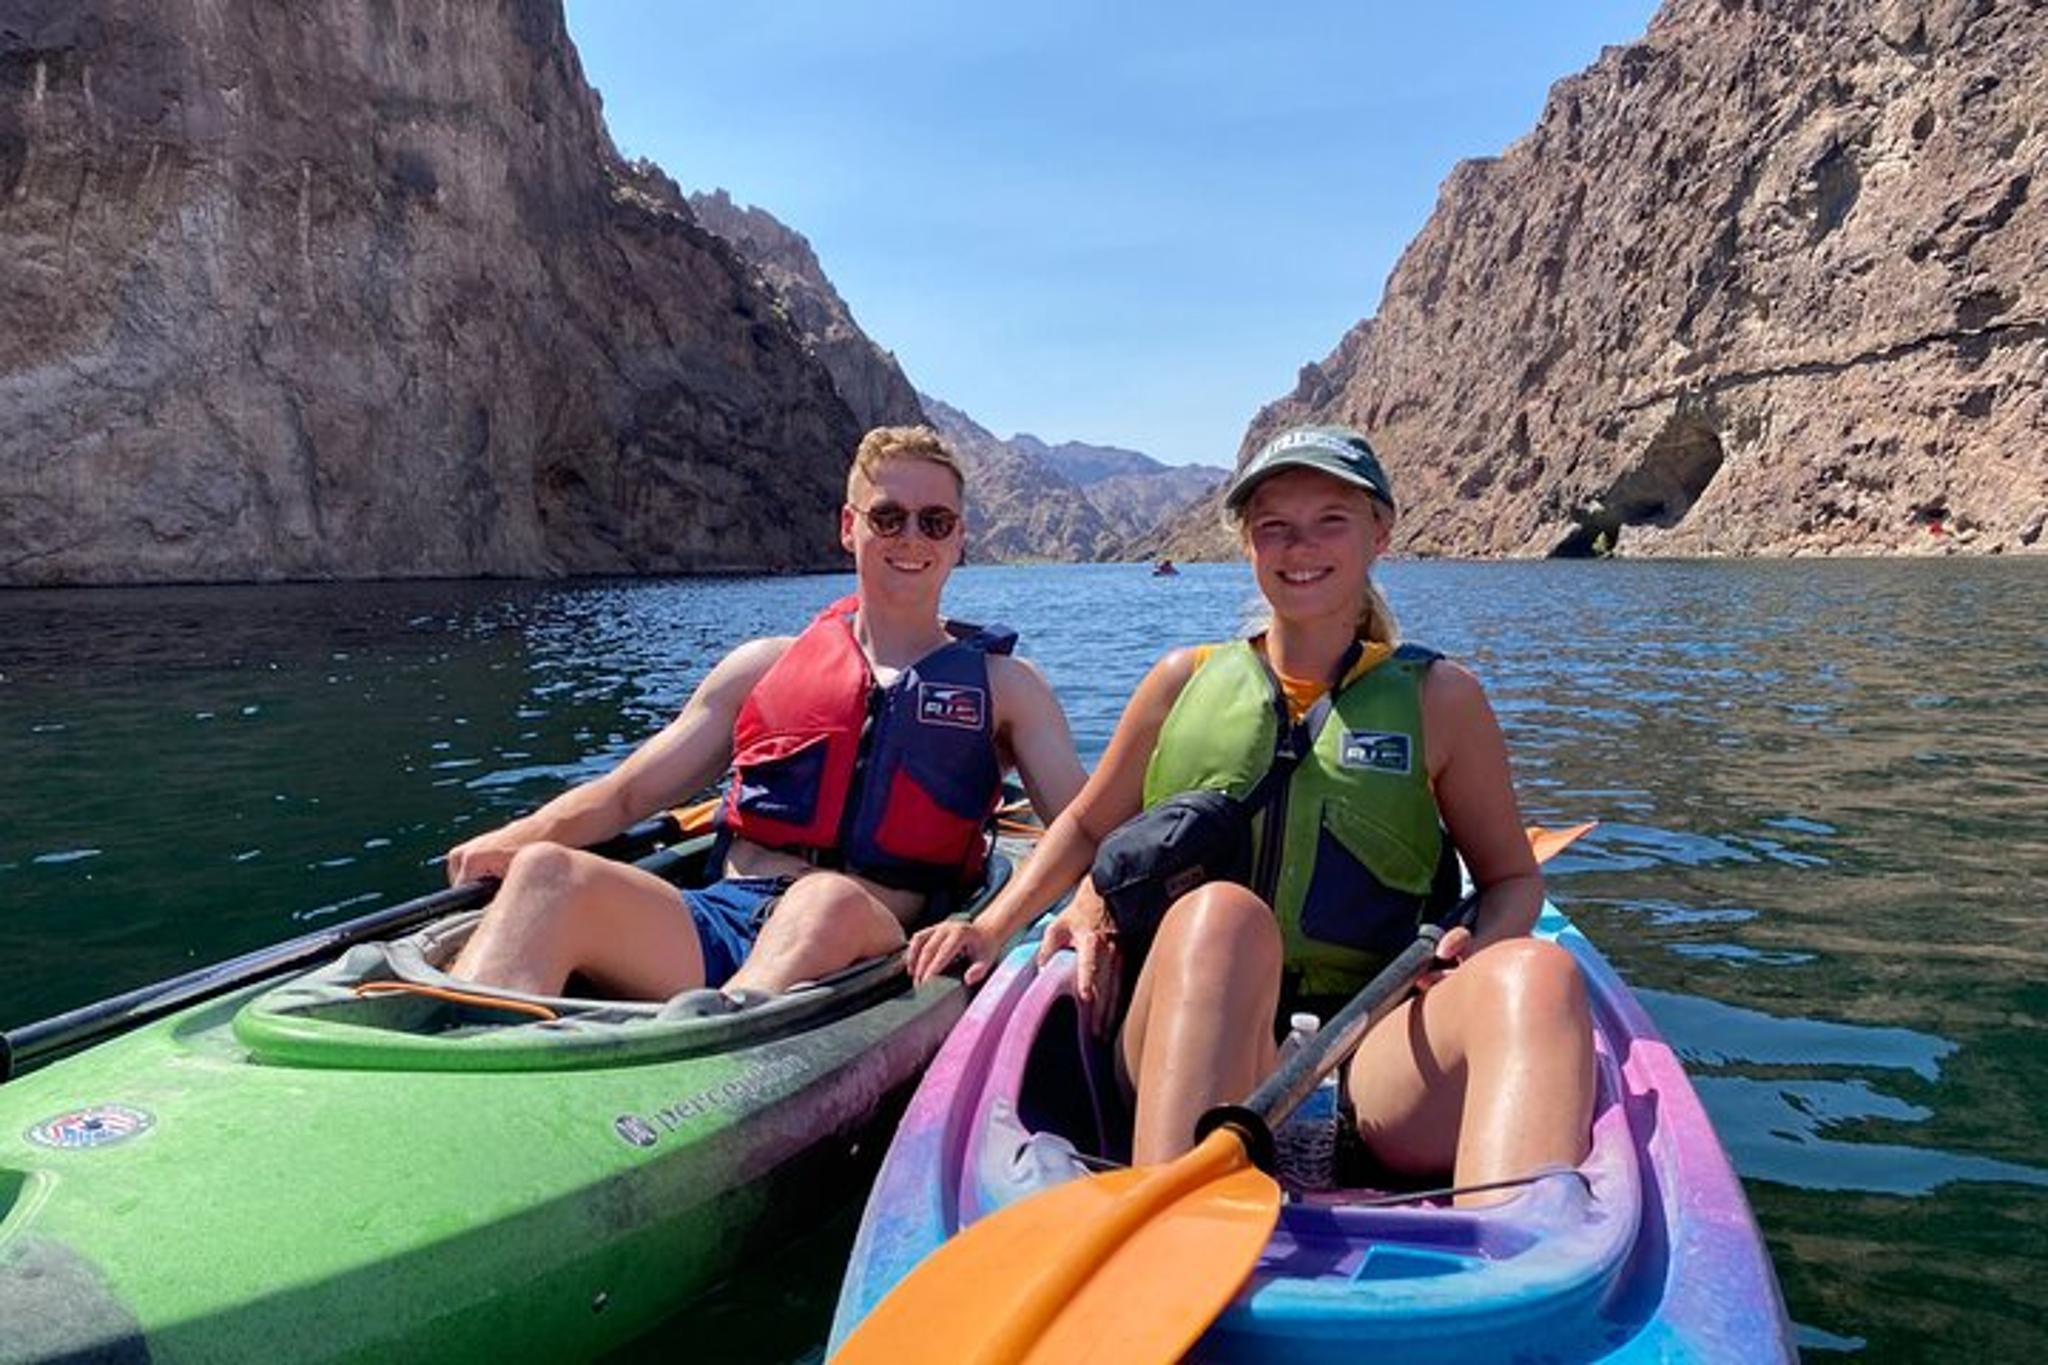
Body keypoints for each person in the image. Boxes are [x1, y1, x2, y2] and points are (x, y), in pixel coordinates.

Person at [907, 425, 1594, 1201]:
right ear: (1249, 544)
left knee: (1541, 974)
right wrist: (994, 927)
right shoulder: (1179, 682)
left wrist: (1483, 946)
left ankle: (1520, 1268)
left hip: (1370, 1052)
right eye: (1275, 526)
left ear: (1381, 531)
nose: (1301, 545)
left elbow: (1510, 880)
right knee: (1225, 919)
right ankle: (1164, 1238)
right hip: (1189, 1035)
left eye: (1331, 519)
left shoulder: (1442, 700)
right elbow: (1089, 826)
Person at [447, 425, 1086, 1001]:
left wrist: (1013, 922)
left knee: (823, 901)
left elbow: (1085, 831)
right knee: (547, 873)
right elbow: (627, 793)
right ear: (849, 525)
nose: (911, 539)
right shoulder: (762, 667)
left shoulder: (1007, 688)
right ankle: (458, 1077)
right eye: (888, 518)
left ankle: (704, 1063)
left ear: (960, 538)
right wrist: (516, 837)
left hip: (877, 940)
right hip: (725, 918)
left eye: (935, 522)